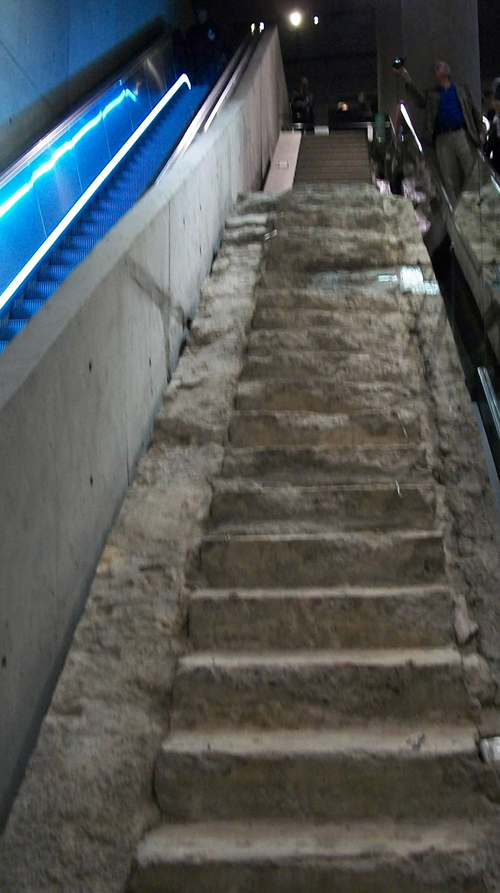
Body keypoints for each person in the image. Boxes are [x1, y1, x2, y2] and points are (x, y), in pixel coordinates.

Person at [396, 60, 484, 206]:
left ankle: (476, 206)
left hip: (462, 134)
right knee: (450, 178)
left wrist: (481, 131)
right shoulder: (433, 95)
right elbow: (419, 100)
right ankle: (455, 211)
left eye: (438, 67)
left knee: (471, 172)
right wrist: (407, 79)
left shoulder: (460, 90)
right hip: (443, 139)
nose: (435, 69)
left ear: (447, 72)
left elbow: (474, 112)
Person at [185, 5, 227, 85]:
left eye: (203, 13)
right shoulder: (193, 31)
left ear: (206, 14)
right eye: (199, 14)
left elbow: (218, 43)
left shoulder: (212, 27)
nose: (201, 16)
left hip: (211, 62)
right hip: (201, 64)